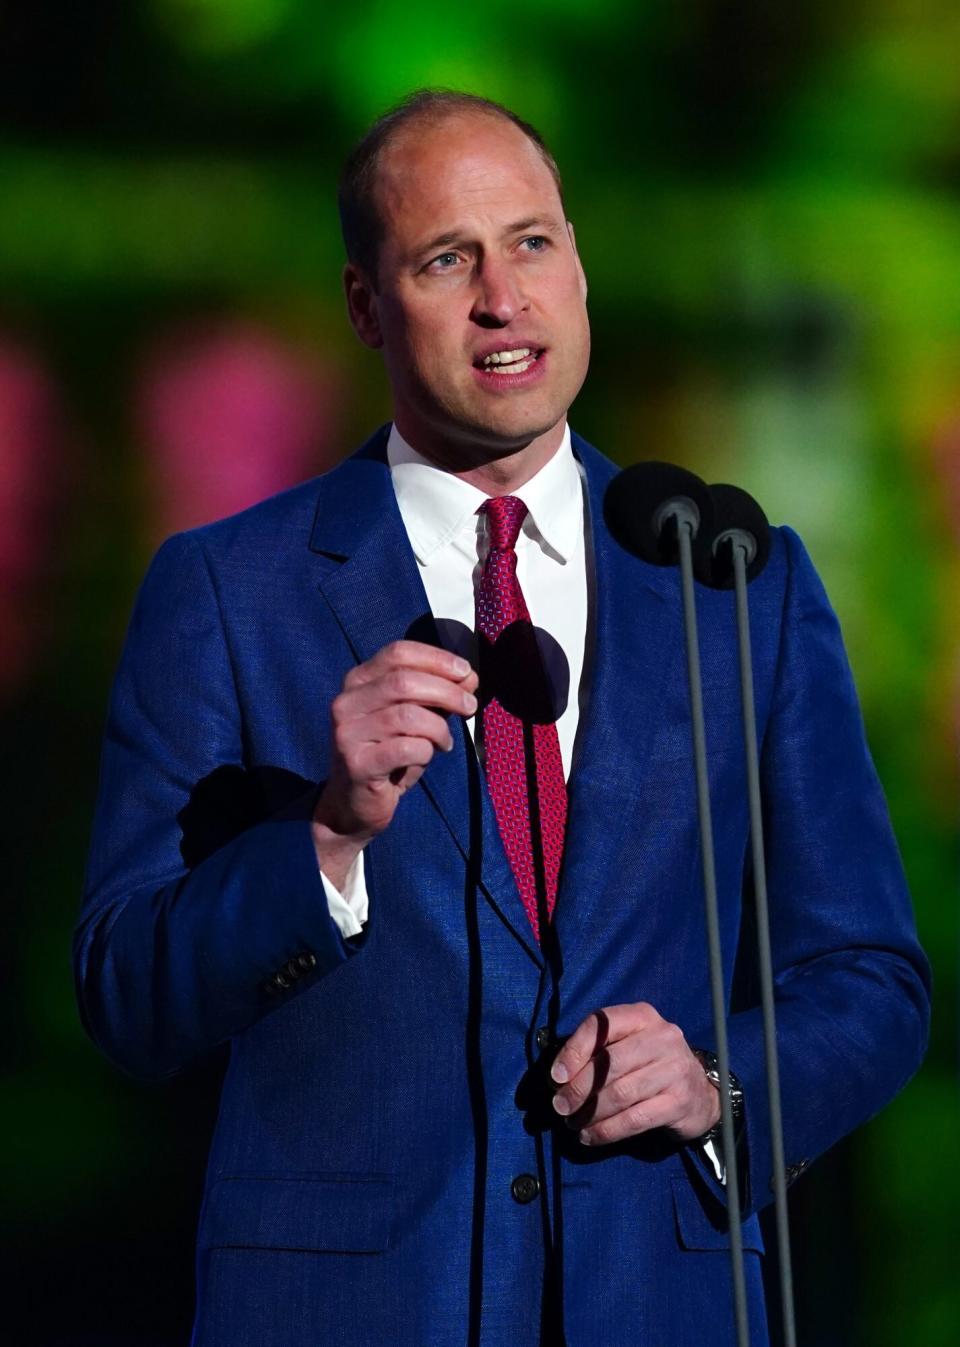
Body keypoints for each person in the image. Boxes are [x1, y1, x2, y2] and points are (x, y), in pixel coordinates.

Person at [75, 91, 930, 1347]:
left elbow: (871, 977)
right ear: (369, 306)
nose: (502, 298)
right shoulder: (225, 589)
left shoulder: (732, 576)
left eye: (532, 242)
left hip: (662, 1303)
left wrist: (716, 1082)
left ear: (579, 263)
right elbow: (123, 991)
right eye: (445, 259)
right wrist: (327, 841)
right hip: (346, 1309)